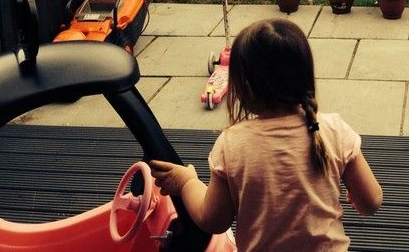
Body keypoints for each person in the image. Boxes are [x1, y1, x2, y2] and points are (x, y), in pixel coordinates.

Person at [150, 19, 383, 251]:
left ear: (245, 87)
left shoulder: (233, 144)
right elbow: (371, 202)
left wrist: (186, 183)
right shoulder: (333, 130)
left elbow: (214, 221)